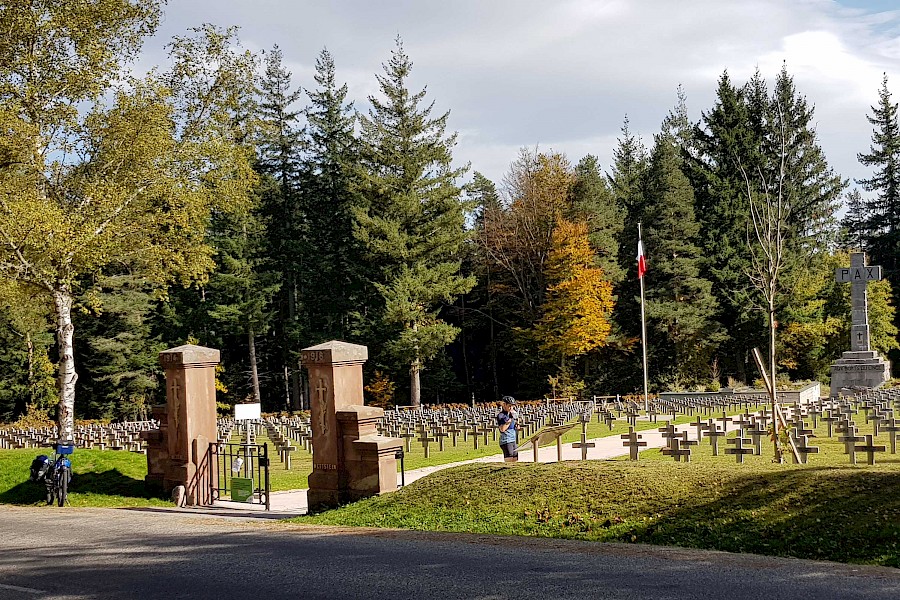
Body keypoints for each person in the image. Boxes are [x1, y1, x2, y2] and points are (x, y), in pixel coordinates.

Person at [496, 396, 519, 462]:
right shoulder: (501, 415)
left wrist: (517, 425)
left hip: (513, 440)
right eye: (509, 406)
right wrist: (510, 420)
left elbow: (515, 426)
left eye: (512, 406)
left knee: (515, 458)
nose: (511, 408)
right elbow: (502, 429)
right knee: (509, 459)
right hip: (506, 441)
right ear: (504, 405)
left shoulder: (511, 414)